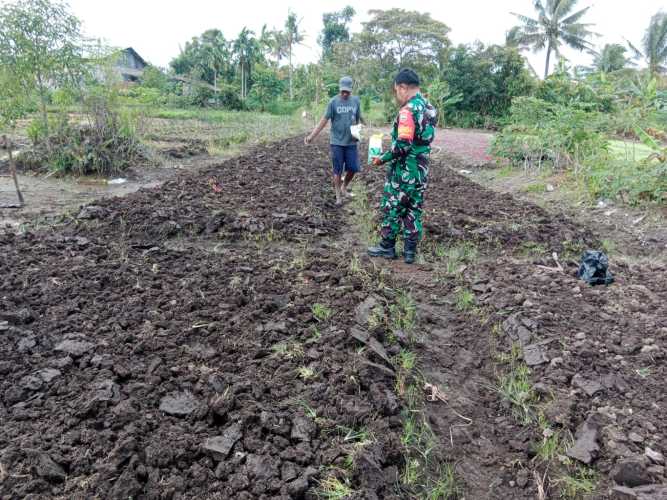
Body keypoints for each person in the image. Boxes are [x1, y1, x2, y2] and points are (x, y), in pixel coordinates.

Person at [367, 68, 436, 264]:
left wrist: (383, 158)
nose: (397, 95)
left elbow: (403, 145)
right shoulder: (429, 108)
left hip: (405, 171)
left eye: (397, 90)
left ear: (403, 87)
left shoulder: (408, 111)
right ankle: (409, 252)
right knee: (414, 209)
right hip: (421, 170)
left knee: (393, 206)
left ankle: (387, 247)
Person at [305, 76, 362, 206]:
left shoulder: (356, 102)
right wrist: (311, 137)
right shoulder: (333, 102)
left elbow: (358, 119)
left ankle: (344, 187)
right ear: (339, 89)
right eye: (343, 91)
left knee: (353, 168)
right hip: (336, 142)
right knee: (337, 170)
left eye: (347, 91)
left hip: (351, 142)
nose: (345, 93)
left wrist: (358, 132)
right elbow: (323, 121)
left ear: (351, 90)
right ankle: (338, 196)